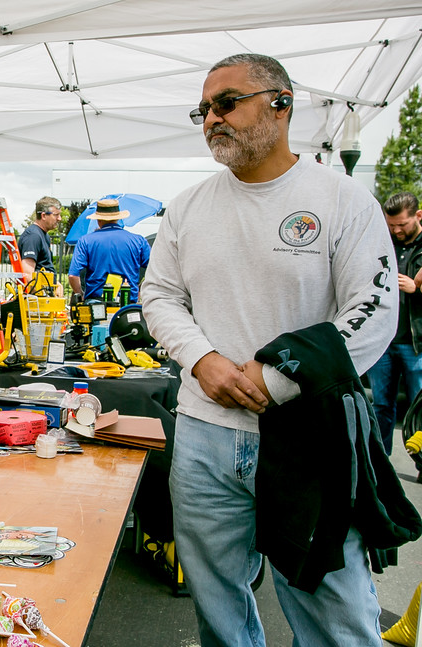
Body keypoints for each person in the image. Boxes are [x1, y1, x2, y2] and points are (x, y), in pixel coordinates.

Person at [142, 54, 399, 646]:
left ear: (281, 104)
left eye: (225, 103)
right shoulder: (187, 207)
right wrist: (201, 359)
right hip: (204, 435)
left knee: (334, 613)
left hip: (309, 433)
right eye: (202, 109)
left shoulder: (342, 200)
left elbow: (374, 311)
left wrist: (280, 378)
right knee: (218, 607)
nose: (211, 119)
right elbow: (159, 297)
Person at [367, 191, 422, 455]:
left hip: (415, 344)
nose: (396, 230)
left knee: (418, 407)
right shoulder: (381, 244)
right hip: (383, 342)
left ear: (418, 216)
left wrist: (416, 288)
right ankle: (381, 464)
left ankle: (421, 462)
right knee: (380, 406)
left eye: (402, 224)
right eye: (391, 225)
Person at [67, 198, 151, 300]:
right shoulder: (138, 241)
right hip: (127, 303)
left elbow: (73, 275)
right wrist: (140, 288)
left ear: (98, 220)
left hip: (96, 303)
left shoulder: (85, 241)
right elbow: (155, 269)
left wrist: (80, 294)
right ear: (118, 218)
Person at [17, 196, 62, 282]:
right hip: (38, 294)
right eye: (56, 215)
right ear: (44, 215)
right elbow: (27, 275)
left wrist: (57, 285)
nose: (59, 218)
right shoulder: (33, 236)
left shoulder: (44, 236)